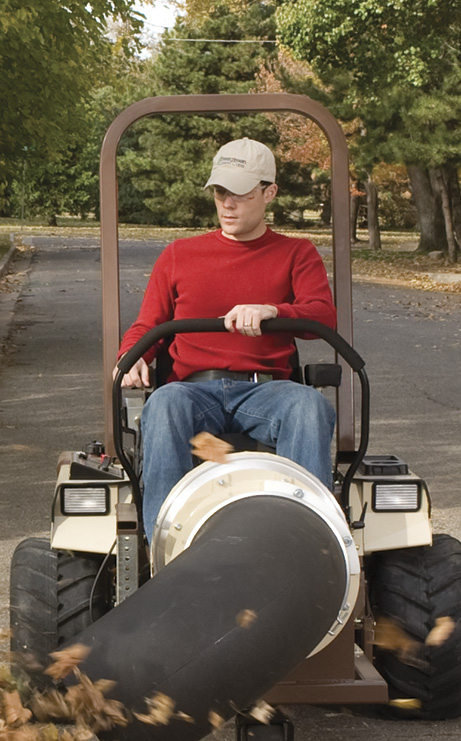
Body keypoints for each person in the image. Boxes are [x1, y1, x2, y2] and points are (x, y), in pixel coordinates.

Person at [115, 137, 339, 540]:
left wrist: (274, 310)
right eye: (220, 192)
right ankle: (167, 551)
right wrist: (131, 356)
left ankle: (303, 543)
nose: (227, 204)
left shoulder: (296, 254)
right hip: (193, 393)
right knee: (163, 403)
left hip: (266, 393)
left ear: (269, 192)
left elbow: (322, 315)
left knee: (309, 405)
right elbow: (148, 324)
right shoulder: (180, 255)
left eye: (240, 193)